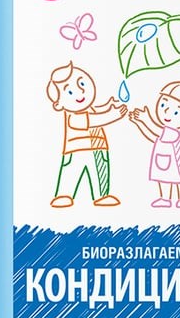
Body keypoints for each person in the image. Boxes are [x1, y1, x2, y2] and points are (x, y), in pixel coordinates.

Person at [45, 61, 127, 208]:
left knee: (99, 174)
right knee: (70, 172)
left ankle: (101, 195)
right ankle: (64, 194)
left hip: (97, 148)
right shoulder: (73, 116)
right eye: (70, 92)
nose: (80, 92)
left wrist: (109, 105)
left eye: (82, 84)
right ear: (58, 104)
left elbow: (97, 111)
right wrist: (113, 115)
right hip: (75, 150)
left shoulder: (90, 109)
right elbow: (92, 120)